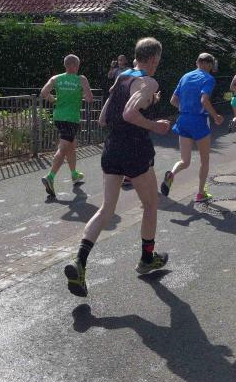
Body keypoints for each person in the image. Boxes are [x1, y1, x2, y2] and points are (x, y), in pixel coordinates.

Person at [64, 37, 172, 297]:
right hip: (135, 150)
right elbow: (129, 113)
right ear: (153, 59)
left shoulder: (122, 77)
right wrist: (155, 125)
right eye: (158, 60)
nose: (157, 65)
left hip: (112, 148)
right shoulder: (149, 81)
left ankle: (79, 262)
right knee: (151, 205)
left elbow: (103, 119)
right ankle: (147, 258)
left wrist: (148, 101)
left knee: (106, 209)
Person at [160, 53, 224, 203]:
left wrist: (185, 109)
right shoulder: (208, 78)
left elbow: (173, 100)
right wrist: (215, 116)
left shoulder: (185, 77)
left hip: (183, 120)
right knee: (205, 160)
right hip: (199, 121)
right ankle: (201, 194)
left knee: (185, 160)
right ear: (209, 64)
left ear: (197, 62)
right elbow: (204, 100)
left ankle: (172, 174)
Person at [39, 55, 94, 196]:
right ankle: (50, 176)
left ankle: (74, 174)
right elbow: (89, 98)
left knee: (72, 144)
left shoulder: (56, 78)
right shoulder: (81, 79)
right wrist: (78, 95)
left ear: (65, 65)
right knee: (63, 147)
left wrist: (53, 100)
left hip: (58, 117)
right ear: (77, 66)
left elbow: (44, 92)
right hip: (71, 118)